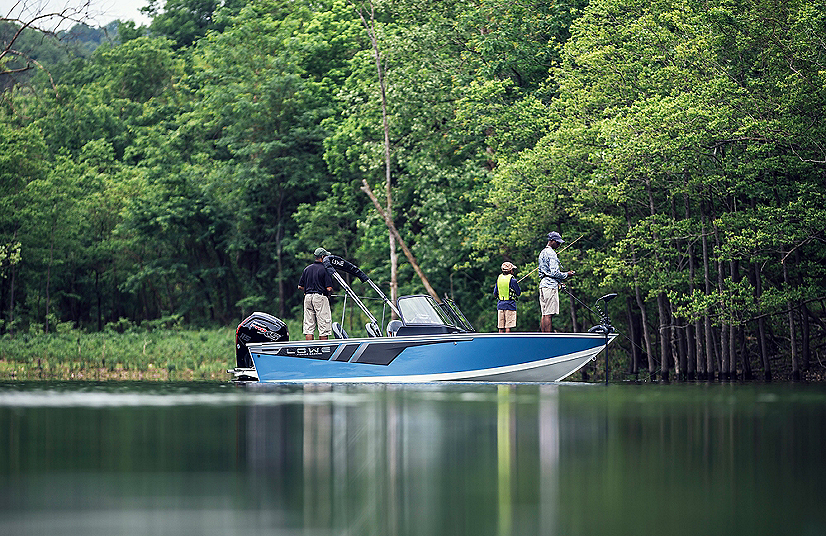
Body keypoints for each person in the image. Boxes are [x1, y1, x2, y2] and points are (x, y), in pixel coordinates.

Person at [538, 231, 575, 333]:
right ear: (552, 241)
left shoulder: (542, 253)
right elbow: (554, 272)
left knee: (544, 313)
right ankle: (549, 337)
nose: (559, 245)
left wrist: (558, 282)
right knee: (549, 314)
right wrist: (567, 274)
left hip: (543, 285)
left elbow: (542, 272)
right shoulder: (552, 254)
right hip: (550, 286)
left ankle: (543, 336)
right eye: (557, 242)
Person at [298, 247, 334, 340]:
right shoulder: (325, 269)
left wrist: (308, 290)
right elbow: (329, 288)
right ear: (322, 257)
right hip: (320, 297)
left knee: (309, 327)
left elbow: (300, 286)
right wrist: (329, 294)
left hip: (307, 297)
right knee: (324, 327)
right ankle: (323, 348)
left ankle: (310, 348)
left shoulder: (307, 269)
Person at [493, 261, 521, 333]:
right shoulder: (513, 280)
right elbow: (518, 293)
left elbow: (495, 294)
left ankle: (500, 339)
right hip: (510, 305)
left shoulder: (499, 278)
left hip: (500, 305)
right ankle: (507, 339)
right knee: (508, 326)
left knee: (500, 327)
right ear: (511, 271)